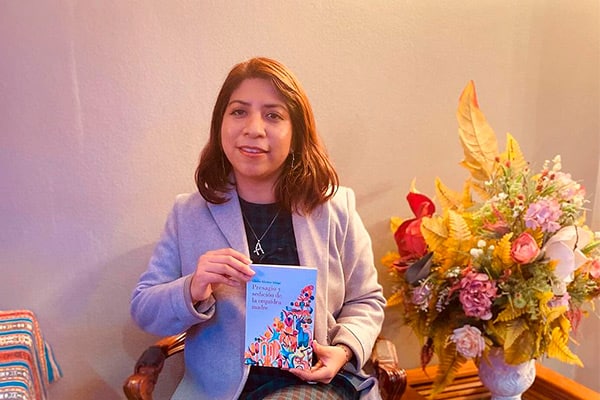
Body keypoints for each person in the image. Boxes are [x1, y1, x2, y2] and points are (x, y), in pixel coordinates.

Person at [130, 57, 386, 400]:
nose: (254, 128)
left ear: (296, 132)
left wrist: (343, 350)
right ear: (220, 124)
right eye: (239, 111)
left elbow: (366, 300)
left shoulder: (334, 207)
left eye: (273, 115)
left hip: (316, 383)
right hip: (222, 392)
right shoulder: (188, 214)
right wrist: (193, 286)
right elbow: (144, 308)